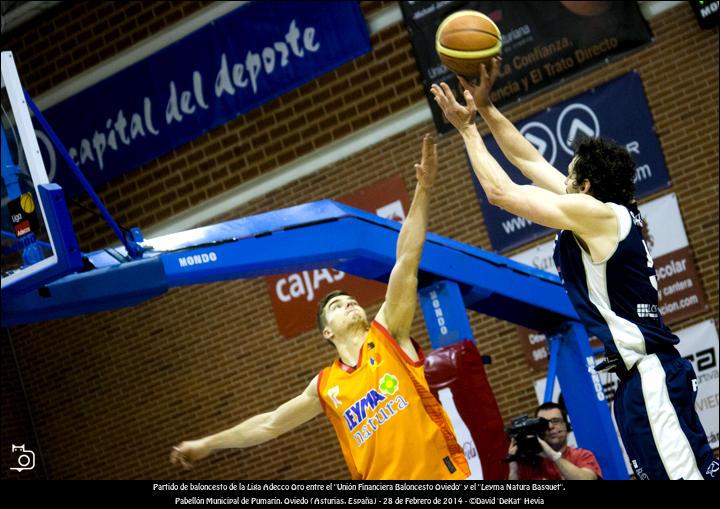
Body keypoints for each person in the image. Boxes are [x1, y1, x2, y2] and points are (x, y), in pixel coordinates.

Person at [430, 58, 718, 481]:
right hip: (641, 379)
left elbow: (499, 191)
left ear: (585, 187)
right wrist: (487, 108)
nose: (560, 177)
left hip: (650, 375)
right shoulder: (606, 214)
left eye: (568, 175)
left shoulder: (599, 215)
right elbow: (528, 161)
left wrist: (467, 129)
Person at [170, 134, 471, 480]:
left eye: (352, 300)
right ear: (327, 332)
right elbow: (269, 424)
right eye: (338, 305)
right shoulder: (325, 386)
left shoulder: (389, 332)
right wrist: (208, 444)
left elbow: (406, 259)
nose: (350, 304)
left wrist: (424, 189)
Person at [508, 402, 601, 480]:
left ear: (566, 426)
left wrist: (552, 455)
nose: (550, 426)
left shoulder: (582, 455)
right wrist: (513, 470)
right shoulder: (528, 463)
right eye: (543, 423)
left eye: (556, 421)